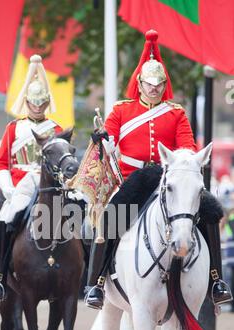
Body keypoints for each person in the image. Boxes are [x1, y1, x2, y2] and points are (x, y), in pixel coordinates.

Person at [84, 30, 232, 309]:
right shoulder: (121, 111)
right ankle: (97, 284)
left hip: (168, 177)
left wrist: (183, 161)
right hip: (134, 179)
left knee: (211, 211)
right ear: (139, 83)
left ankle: (216, 281)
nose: (153, 89)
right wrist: (103, 140)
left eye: (158, 84)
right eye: (149, 84)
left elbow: (187, 146)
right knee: (111, 217)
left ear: (165, 85)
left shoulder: (176, 113)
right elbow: (111, 141)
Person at [0, 55, 63, 301]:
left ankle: (84, 278)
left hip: (50, 185)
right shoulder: (13, 128)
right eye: (33, 103)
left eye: (42, 103)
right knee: (6, 217)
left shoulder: (57, 129)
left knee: (76, 217)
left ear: (47, 102)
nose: (37, 107)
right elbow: (1, 163)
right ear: (26, 102)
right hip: (22, 183)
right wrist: (8, 188)